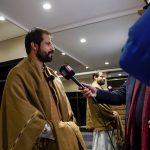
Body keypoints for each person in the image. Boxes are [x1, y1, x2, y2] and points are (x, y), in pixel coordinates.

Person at [0, 28, 86, 150]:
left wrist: (66, 129)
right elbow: (22, 118)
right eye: (48, 43)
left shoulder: (53, 75)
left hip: (62, 141)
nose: (53, 48)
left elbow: (68, 112)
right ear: (34, 46)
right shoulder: (17, 74)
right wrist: (60, 131)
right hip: (41, 144)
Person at [80, 76, 150, 150]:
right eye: (101, 76)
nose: (103, 78)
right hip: (134, 134)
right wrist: (97, 93)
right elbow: (120, 94)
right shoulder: (133, 75)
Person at [86, 72, 124, 150]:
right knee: (104, 146)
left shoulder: (97, 87)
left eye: (104, 77)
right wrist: (114, 115)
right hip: (103, 125)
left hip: (102, 125)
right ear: (95, 77)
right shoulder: (95, 87)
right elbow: (102, 109)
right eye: (101, 76)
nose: (104, 78)